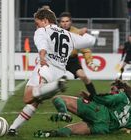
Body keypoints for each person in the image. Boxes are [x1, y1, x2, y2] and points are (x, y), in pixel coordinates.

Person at [8, 8, 96, 136]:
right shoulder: (69, 35)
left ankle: (56, 85)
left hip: (46, 69)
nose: (36, 26)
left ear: (45, 21)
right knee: (35, 101)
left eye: (37, 23)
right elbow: (91, 41)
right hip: (59, 73)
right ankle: (13, 129)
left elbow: (42, 45)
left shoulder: (42, 30)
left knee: (28, 97)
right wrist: (84, 33)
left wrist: (42, 56)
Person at [34, 77, 131, 137]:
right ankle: (52, 134)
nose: (111, 92)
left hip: (99, 113)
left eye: (113, 90)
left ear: (121, 89)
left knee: (58, 98)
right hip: (103, 129)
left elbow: (107, 100)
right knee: (70, 129)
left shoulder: (122, 95)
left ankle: (63, 112)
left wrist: (91, 96)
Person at [59, 12, 98, 81]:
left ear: (70, 22)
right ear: (60, 23)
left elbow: (85, 50)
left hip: (72, 60)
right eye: (63, 21)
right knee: (52, 79)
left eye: (67, 21)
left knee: (83, 76)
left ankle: (93, 92)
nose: (65, 23)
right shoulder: (55, 32)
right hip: (58, 60)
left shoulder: (77, 33)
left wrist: (90, 62)